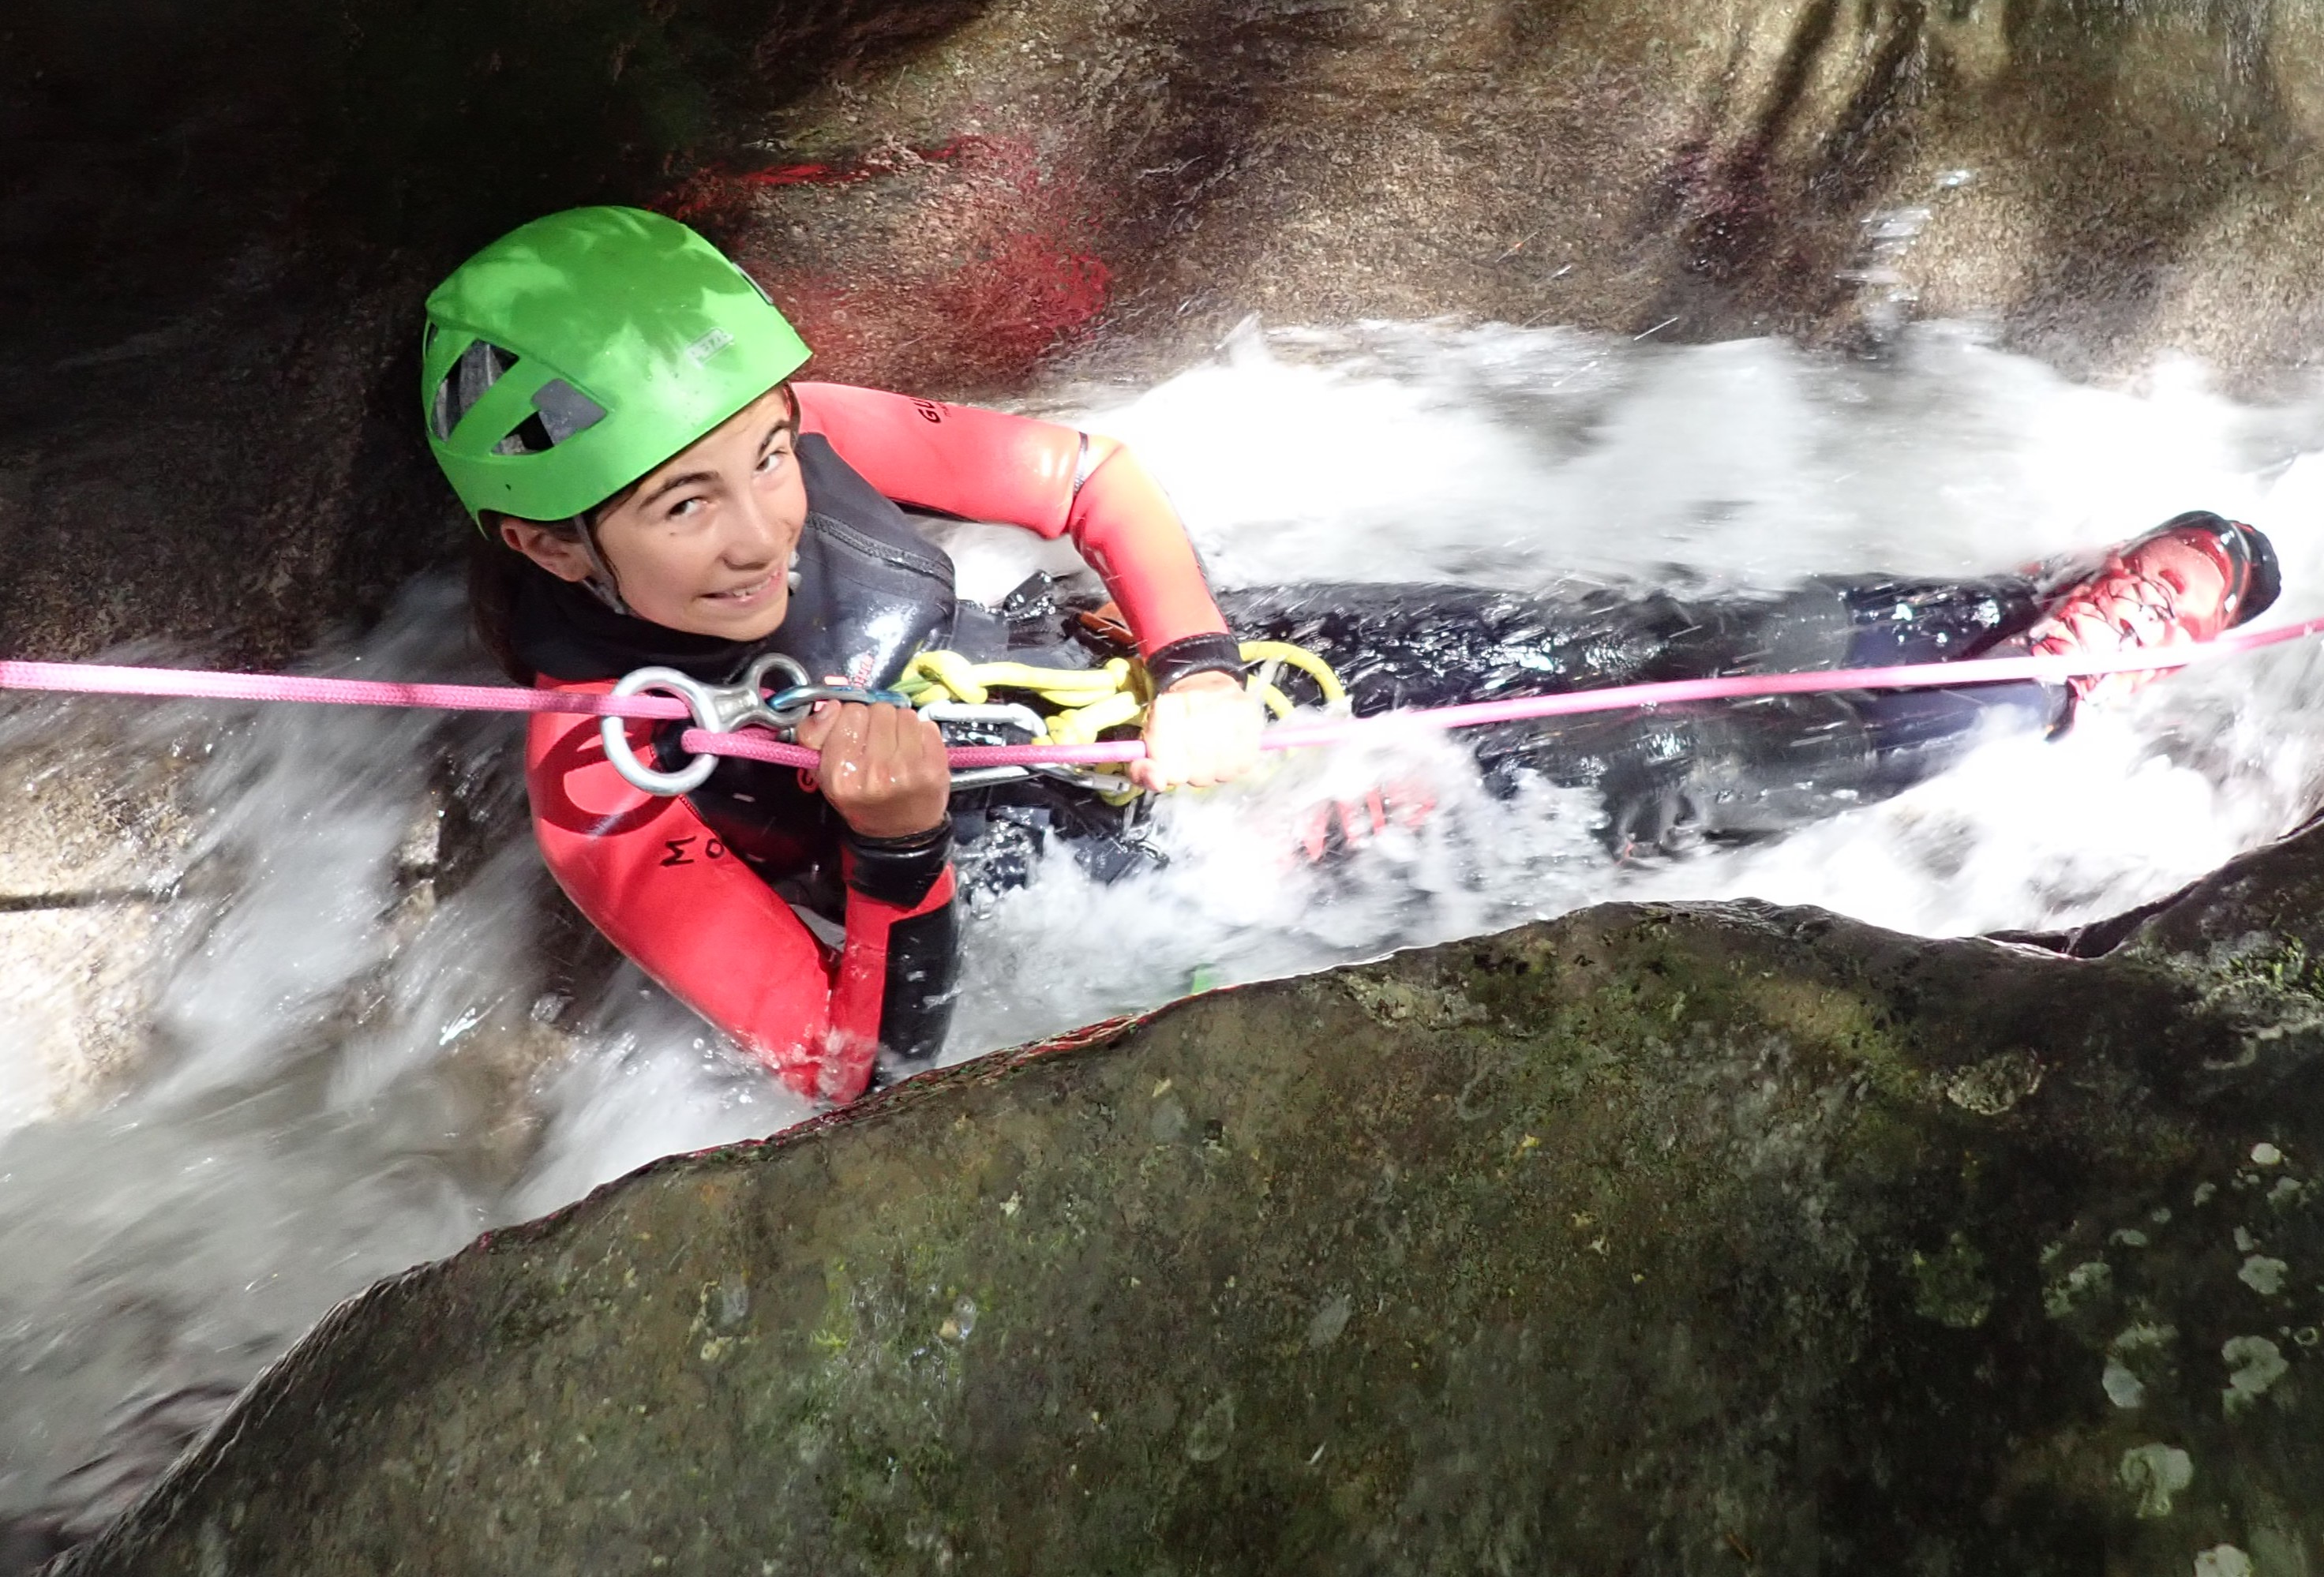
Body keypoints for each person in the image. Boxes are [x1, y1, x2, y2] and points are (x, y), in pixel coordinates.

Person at [423, 206, 2281, 1103]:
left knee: (1622, 652)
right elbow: (842, 1061)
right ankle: (2038, 684)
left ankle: (1996, 617)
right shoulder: (607, 779)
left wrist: (1203, 661)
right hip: (1108, 864)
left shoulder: (799, 424)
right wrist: (897, 853)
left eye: (764, 462)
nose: (758, 525)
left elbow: (1089, 481)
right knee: (1628, 775)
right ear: (546, 544)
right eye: (685, 511)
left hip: (1149, 709)